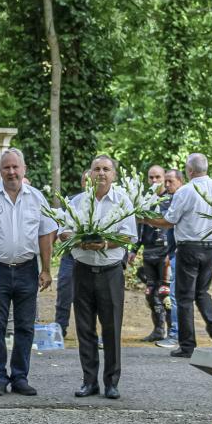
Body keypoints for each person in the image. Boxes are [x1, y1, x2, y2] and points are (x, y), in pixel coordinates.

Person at [0, 148, 57, 397]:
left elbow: (46, 234)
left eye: (16, 167)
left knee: (25, 327)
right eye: (7, 167)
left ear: (24, 169)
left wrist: (46, 269)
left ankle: (20, 377)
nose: (12, 172)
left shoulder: (36, 198)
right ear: (0, 171)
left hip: (28, 269)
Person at [145, 153, 212, 358]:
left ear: (190, 171)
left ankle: (187, 346)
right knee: (202, 292)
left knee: (185, 297)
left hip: (189, 248)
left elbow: (170, 221)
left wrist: (146, 220)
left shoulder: (185, 191)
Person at [64, 156, 136, 400]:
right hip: (82, 270)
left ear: (113, 175)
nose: (101, 173)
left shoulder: (123, 201)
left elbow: (128, 237)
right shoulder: (77, 201)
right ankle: (89, 381)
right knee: (84, 328)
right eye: (97, 169)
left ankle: (112, 382)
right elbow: (64, 230)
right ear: (90, 174)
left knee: (111, 328)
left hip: (110, 272)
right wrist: (74, 238)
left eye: (106, 169)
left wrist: (105, 243)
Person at [129, 165, 172, 342]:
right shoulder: (145, 199)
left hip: (165, 251)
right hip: (148, 251)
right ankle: (158, 329)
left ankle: (173, 331)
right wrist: (133, 250)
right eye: (151, 178)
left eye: (158, 177)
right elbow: (140, 225)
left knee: (164, 292)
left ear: (164, 178)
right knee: (150, 292)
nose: (154, 181)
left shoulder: (172, 199)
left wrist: (172, 252)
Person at [54, 170, 91, 338]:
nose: (89, 183)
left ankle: (88, 332)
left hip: (92, 257)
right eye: (86, 180)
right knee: (64, 291)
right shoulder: (74, 202)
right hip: (71, 255)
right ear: (82, 183)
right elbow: (63, 233)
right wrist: (80, 240)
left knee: (89, 297)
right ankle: (60, 329)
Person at [155, 169, 185, 348]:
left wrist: (144, 220)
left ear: (180, 180)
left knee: (175, 296)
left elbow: (168, 222)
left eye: (170, 181)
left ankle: (176, 334)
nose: (166, 185)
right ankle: (179, 334)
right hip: (173, 253)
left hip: (181, 254)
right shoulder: (168, 199)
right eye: (164, 182)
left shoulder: (181, 198)